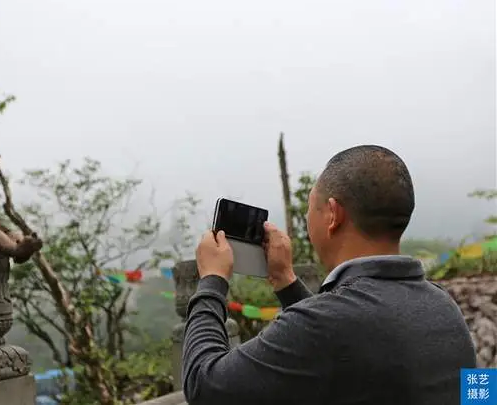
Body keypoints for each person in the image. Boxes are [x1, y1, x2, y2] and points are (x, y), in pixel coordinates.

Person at [182, 145, 476, 405]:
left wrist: (212, 279)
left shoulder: (323, 324)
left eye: (312, 206)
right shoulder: (444, 306)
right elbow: (480, 393)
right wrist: (286, 281)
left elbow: (204, 385)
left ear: (332, 215)